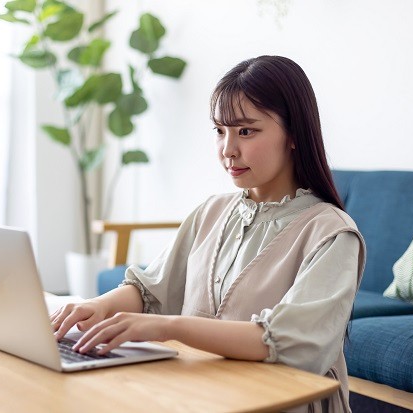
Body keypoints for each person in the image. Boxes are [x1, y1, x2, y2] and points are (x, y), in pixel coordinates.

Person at [51, 55, 366, 413]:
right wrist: (95, 306)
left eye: (246, 131)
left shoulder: (332, 233)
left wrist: (167, 327)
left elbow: (289, 344)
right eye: (220, 131)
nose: (228, 150)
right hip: (200, 392)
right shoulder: (211, 211)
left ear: (293, 134)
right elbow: (150, 288)